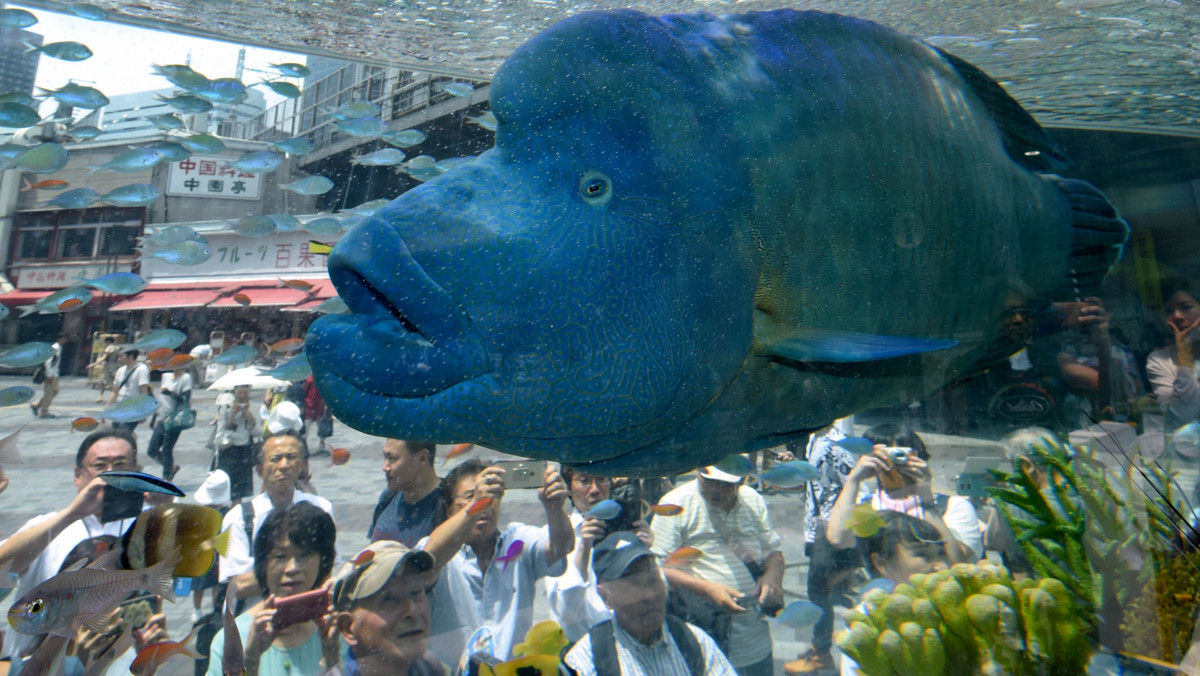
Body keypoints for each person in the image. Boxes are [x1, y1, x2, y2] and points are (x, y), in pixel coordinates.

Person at [0, 429, 145, 667]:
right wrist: (72, 514)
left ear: (137, 471)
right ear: (78, 475)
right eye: (100, 465)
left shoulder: (144, 530)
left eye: (121, 464)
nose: (111, 474)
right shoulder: (48, 527)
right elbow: (4, 564)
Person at [419, 458, 574, 666]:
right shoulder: (443, 552)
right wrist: (476, 505)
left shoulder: (517, 540)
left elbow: (562, 547)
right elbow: (429, 557)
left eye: (491, 495)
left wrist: (555, 508)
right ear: (449, 511)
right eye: (470, 496)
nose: (485, 504)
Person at [649, 465, 784, 676]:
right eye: (709, 482)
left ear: (741, 481)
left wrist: (772, 578)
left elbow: (773, 553)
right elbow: (657, 568)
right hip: (702, 634)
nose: (716, 491)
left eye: (725, 485)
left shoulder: (753, 500)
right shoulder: (675, 502)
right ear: (697, 474)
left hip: (753, 637)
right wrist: (707, 589)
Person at [563, 531, 737, 676]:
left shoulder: (694, 641)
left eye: (652, 580)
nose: (649, 596)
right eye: (633, 586)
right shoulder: (586, 660)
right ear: (605, 597)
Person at [207, 502, 340, 676]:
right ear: (263, 564)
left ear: (323, 561)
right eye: (280, 556)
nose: (293, 567)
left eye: (305, 554)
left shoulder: (335, 632)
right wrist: (250, 661)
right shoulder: (230, 641)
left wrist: (331, 661)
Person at [825, 424, 982, 566]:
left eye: (901, 455)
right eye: (884, 456)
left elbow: (957, 564)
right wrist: (853, 480)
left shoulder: (954, 506)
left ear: (918, 456)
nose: (894, 464)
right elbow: (837, 539)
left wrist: (926, 497)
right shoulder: (865, 506)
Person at [783, 418, 862, 675]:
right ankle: (824, 650)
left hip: (829, 532)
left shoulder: (834, 444)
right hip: (816, 529)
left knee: (819, 595)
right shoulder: (815, 439)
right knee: (827, 593)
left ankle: (822, 654)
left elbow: (855, 484)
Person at [218, 432, 335, 604]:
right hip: (254, 621)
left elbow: (329, 569)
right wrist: (302, 574)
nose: (284, 465)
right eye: (275, 458)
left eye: (291, 457)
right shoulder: (237, 518)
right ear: (259, 470)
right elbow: (237, 586)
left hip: (306, 618)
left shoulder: (321, 509)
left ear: (303, 465)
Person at [836, 511, 951, 676]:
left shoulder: (948, 605)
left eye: (942, 553)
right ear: (881, 563)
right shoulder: (865, 623)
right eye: (922, 555)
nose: (942, 566)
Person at [547, 466, 653, 641]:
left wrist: (646, 552)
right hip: (581, 646)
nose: (595, 489)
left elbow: (652, 594)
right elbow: (566, 612)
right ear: (569, 488)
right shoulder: (555, 538)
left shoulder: (627, 534)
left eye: (601, 479)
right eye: (584, 481)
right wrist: (584, 547)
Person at [326, 540, 445, 676]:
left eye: (415, 592)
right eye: (389, 599)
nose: (412, 611)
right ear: (348, 627)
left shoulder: (431, 668)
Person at [368, 440, 447, 547]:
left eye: (392, 458)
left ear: (422, 458)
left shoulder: (447, 505)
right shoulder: (388, 497)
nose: (385, 467)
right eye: (385, 457)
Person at [1147, 275, 1200, 431]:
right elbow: (1182, 419)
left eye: (1186, 307)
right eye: (1168, 310)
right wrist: (1184, 356)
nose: (1177, 316)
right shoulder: (1159, 360)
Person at [146, 361, 194, 481]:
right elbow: (162, 399)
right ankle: (171, 468)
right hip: (162, 417)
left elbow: (185, 399)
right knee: (152, 450)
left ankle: (166, 478)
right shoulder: (166, 376)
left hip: (175, 419)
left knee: (167, 449)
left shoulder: (185, 378)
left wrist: (169, 392)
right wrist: (154, 417)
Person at [215, 384, 262, 504]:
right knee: (223, 487)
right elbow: (221, 430)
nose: (242, 396)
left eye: (245, 393)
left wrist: (251, 418)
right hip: (228, 449)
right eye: (239, 393)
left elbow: (257, 433)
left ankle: (235, 511)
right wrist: (232, 415)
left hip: (244, 451)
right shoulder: (225, 407)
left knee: (239, 491)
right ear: (234, 392)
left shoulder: (254, 407)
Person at [108, 346, 151, 430]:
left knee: (124, 434)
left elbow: (144, 392)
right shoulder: (120, 370)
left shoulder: (141, 369)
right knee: (115, 434)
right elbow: (114, 391)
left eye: (121, 356)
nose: (119, 359)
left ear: (131, 356)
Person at [32, 333, 66, 418]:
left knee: (55, 391)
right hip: (51, 373)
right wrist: (49, 374)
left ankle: (36, 405)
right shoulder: (54, 348)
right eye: (63, 338)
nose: (64, 340)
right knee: (49, 393)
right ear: (58, 339)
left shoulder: (59, 347)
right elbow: (48, 361)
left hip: (55, 373)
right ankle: (44, 412)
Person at [302, 376, 333, 456]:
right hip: (310, 406)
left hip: (318, 407)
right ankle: (304, 448)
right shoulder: (310, 378)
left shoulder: (321, 378)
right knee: (306, 429)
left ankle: (321, 446)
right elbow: (304, 391)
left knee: (321, 428)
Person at [88, 336, 121, 402]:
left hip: (108, 366)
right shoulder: (117, 348)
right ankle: (103, 396)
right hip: (116, 366)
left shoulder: (108, 348)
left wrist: (93, 364)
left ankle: (109, 396)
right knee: (113, 381)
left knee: (105, 381)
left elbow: (103, 358)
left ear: (108, 342)